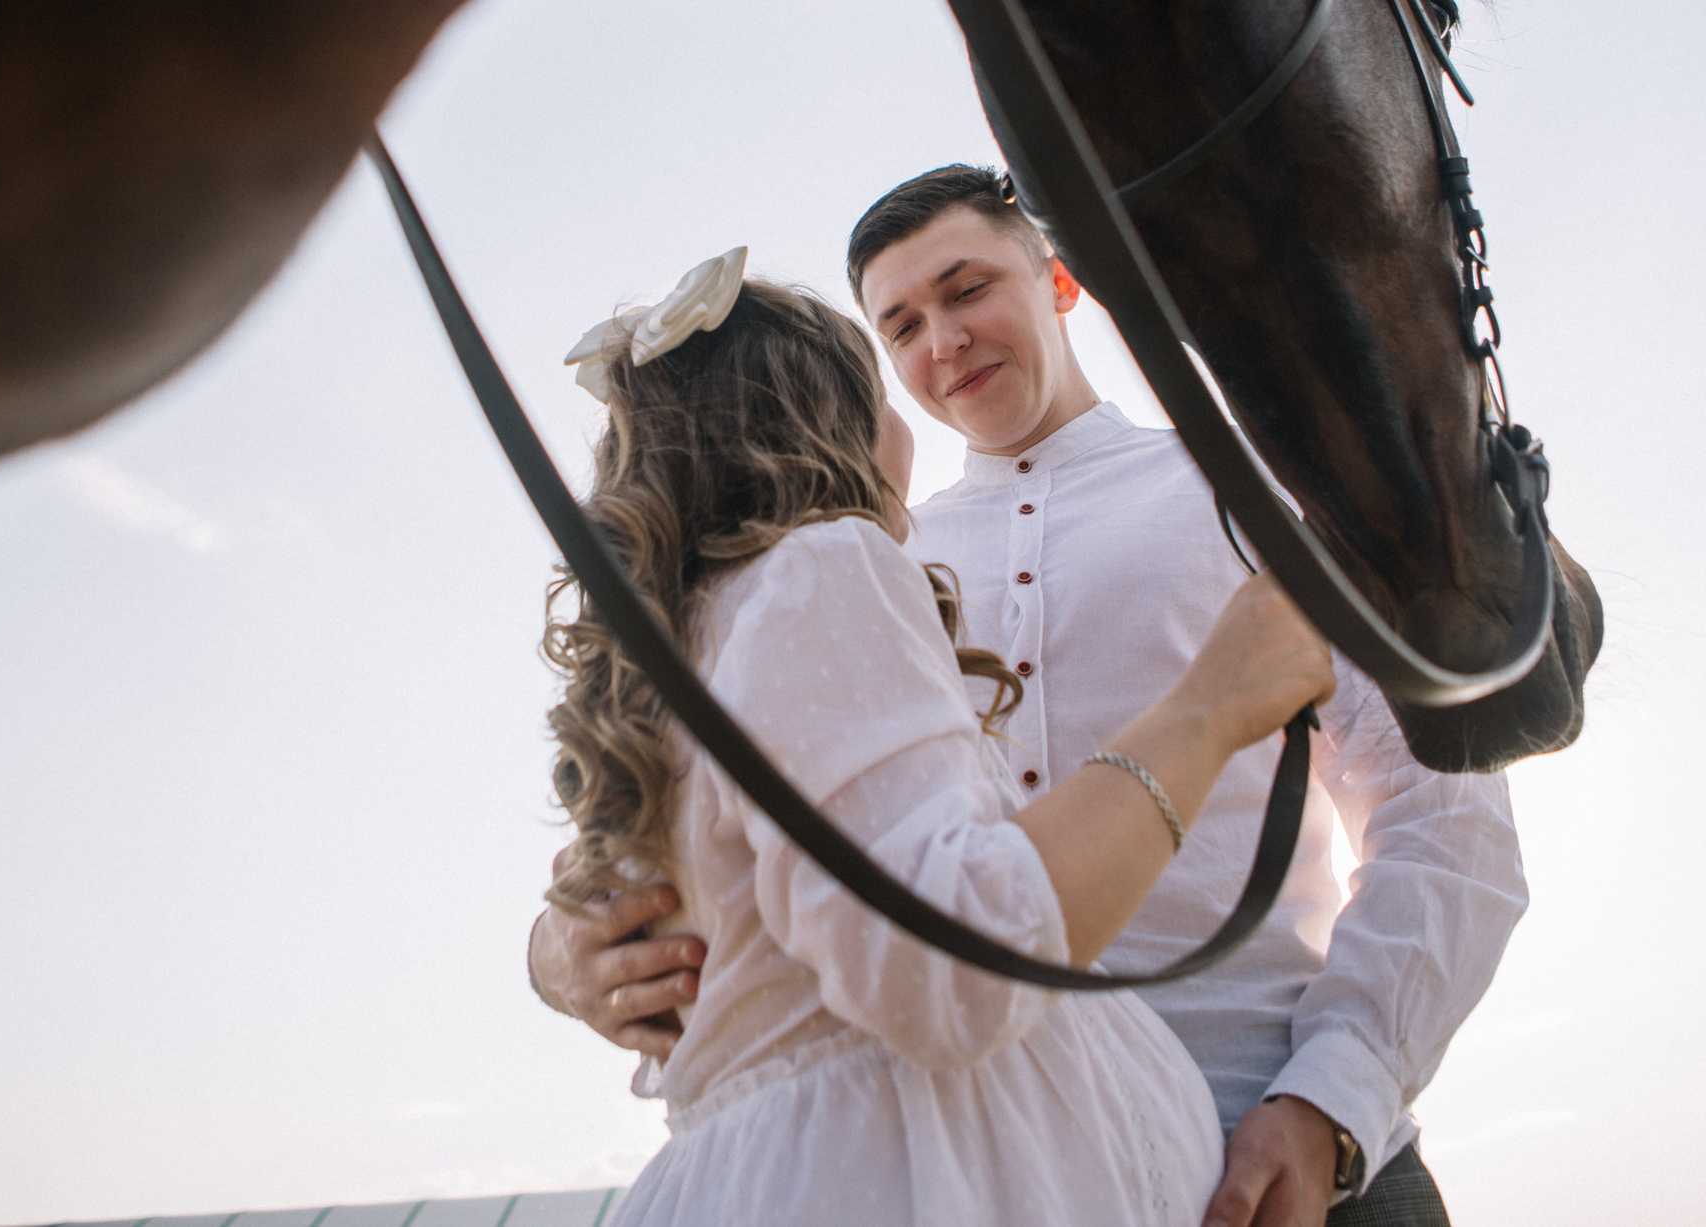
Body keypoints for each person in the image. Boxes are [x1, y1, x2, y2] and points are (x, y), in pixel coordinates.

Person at [532, 167, 1526, 1227]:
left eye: (966, 290)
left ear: (1060, 281)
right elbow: (704, 824)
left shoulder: (1253, 491)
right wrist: (566, 957)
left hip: (1290, 1147)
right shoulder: (842, 560)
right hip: (1002, 1171)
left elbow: (1442, 811)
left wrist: (1335, 1093)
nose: (941, 341)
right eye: (900, 324)